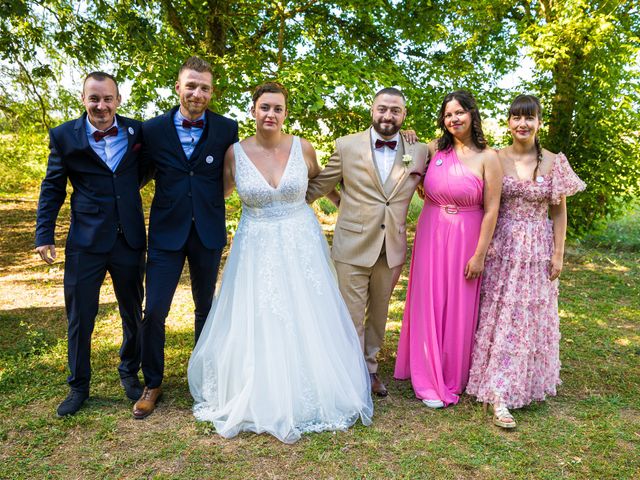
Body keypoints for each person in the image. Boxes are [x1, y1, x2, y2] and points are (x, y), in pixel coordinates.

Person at [187, 82, 373, 443]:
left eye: (277, 108)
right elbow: (217, 195)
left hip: (301, 243)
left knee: (309, 312)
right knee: (260, 314)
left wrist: (351, 211)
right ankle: (259, 388)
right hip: (255, 246)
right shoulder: (234, 154)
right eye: (264, 107)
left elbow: (321, 184)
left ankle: (316, 385)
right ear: (253, 111)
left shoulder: (303, 147)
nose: (270, 114)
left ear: (286, 113)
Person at [466, 94, 585, 428]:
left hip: (536, 248)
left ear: (539, 123)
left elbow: (559, 211)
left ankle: (521, 383)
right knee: (498, 313)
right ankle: (498, 391)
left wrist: (558, 254)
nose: (522, 124)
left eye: (529, 118)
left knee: (526, 316)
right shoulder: (494, 158)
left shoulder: (553, 162)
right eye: (516, 118)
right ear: (508, 122)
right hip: (501, 245)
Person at [133, 56, 239, 419]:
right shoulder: (152, 130)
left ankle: (205, 379)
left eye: (204, 87)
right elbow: (136, 176)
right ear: (178, 87)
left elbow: (232, 173)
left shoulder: (227, 129)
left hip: (208, 232)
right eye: (191, 85)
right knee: (155, 311)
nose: (197, 93)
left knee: (206, 310)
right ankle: (153, 381)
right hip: (165, 232)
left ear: (212, 92)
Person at [35, 72, 146, 416]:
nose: (101, 105)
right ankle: (78, 386)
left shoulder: (137, 132)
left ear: (118, 100)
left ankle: (130, 373)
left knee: (133, 312)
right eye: (94, 98)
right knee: (80, 316)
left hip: (128, 238)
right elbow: (53, 187)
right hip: (85, 241)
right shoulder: (64, 136)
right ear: (83, 99)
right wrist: (44, 234)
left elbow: (146, 171)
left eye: (107, 98)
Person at [305, 88, 429, 397]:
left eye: (395, 111)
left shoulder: (420, 150)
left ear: (404, 115)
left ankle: (371, 368)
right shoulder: (346, 146)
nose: (388, 116)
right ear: (372, 110)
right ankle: (349, 371)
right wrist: (284, 201)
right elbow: (322, 184)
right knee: (350, 312)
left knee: (379, 312)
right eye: (382, 109)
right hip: (352, 246)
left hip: (392, 246)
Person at [394, 90, 502, 408]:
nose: (453, 119)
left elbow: (492, 208)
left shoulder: (488, 157)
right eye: (447, 115)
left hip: (468, 236)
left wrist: (480, 253)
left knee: (459, 304)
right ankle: (426, 376)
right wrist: (407, 136)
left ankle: (453, 373)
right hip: (432, 232)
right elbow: (406, 167)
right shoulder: (431, 150)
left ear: (472, 114)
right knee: (429, 300)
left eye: (459, 113)